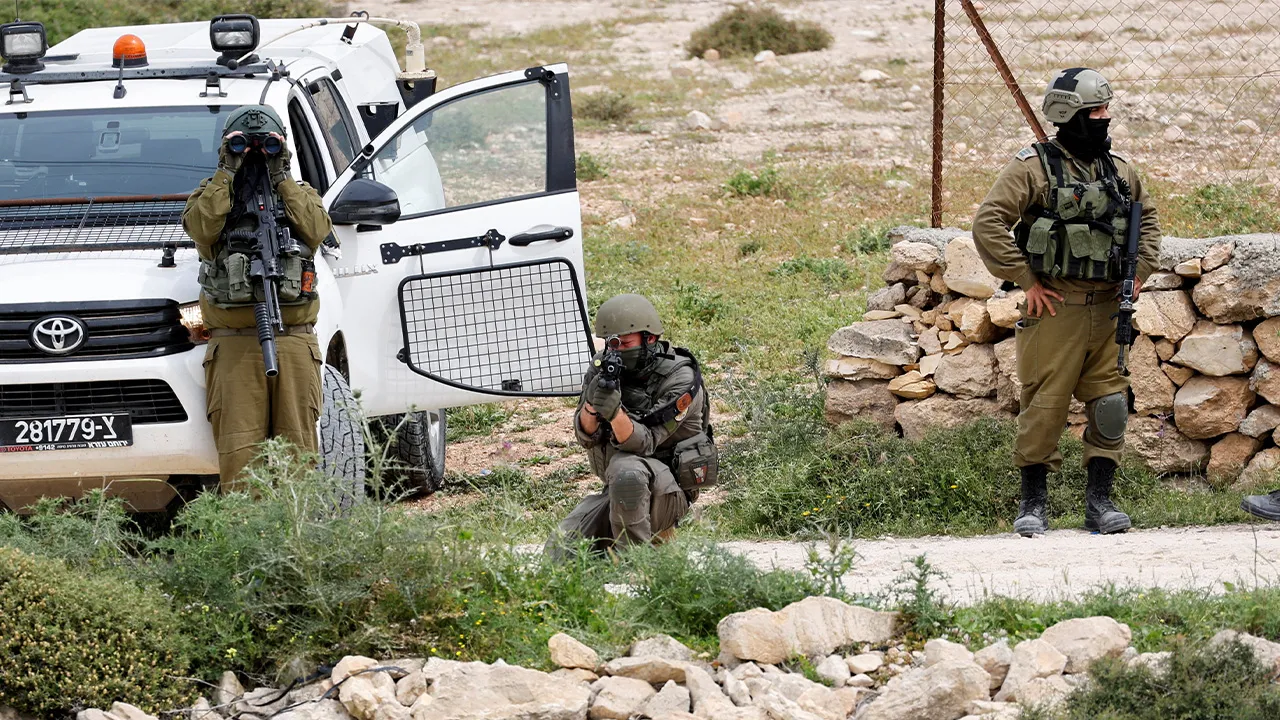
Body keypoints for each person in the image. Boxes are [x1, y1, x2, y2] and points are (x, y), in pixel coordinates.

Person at [971, 68, 1161, 537]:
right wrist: (1024, 280)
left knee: (1111, 405)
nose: (1105, 118)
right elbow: (989, 222)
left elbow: (1149, 222)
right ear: (1069, 115)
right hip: (1054, 308)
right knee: (1045, 405)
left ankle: (1100, 503)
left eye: (1105, 110)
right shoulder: (1033, 167)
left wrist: (1137, 275)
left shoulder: (1119, 170)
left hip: (1109, 307)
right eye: (1096, 111)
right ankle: (1033, 504)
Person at [182, 105, 333, 491]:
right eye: (239, 145)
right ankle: (247, 542)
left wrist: (281, 174)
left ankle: (297, 541)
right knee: (240, 458)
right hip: (234, 347)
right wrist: (227, 172)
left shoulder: (300, 195)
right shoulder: (210, 195)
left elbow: (316, 230)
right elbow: (201, 228)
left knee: (298, 453)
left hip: (294, 339)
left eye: (264, 144)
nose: (252, 153)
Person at [547, 294, 717, 556]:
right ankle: (625, 552)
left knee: (626, 468)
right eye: (611, 344)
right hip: (621, 490)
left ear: (649, 338)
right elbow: (586, 436)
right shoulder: (603, 367)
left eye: (625, 343)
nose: (617, 351)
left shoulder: (680, 378)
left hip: (668, 491)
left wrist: (615, 414)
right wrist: (593, 406)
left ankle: (636, 565)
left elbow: (645, 441)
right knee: (560, 552)